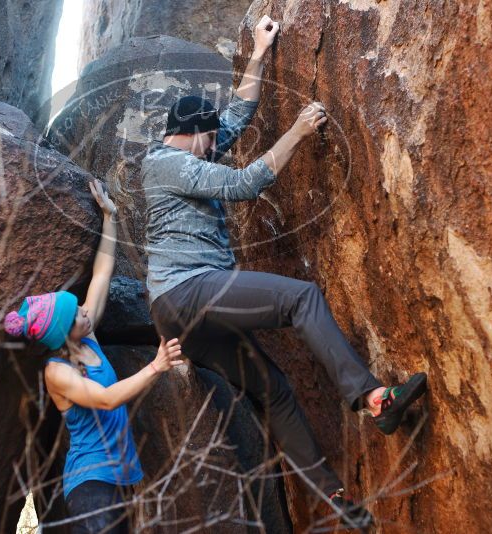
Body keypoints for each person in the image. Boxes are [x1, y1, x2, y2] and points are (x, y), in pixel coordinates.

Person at [141, 14, 427, 529]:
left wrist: (259, 49)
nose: (216, 142)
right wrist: (297, 131)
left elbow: (239, 113)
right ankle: (369, 396)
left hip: (186, 318)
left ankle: (336, 499)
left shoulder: (195, 148)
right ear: (190, 134)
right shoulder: (163, 163)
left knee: (272, 389)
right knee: (301, 299)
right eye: (209, 137)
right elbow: (247, 182)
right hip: (187, 292)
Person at [4, 180, 184, 533]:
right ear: (64, 334)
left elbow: (102, 272)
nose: (87, 314)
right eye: (78, 316)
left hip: (118, 480)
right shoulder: (56, 373)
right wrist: (156, 366)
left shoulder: (88, 338)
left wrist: (110, 217)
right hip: (89, 486)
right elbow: (103, 400)